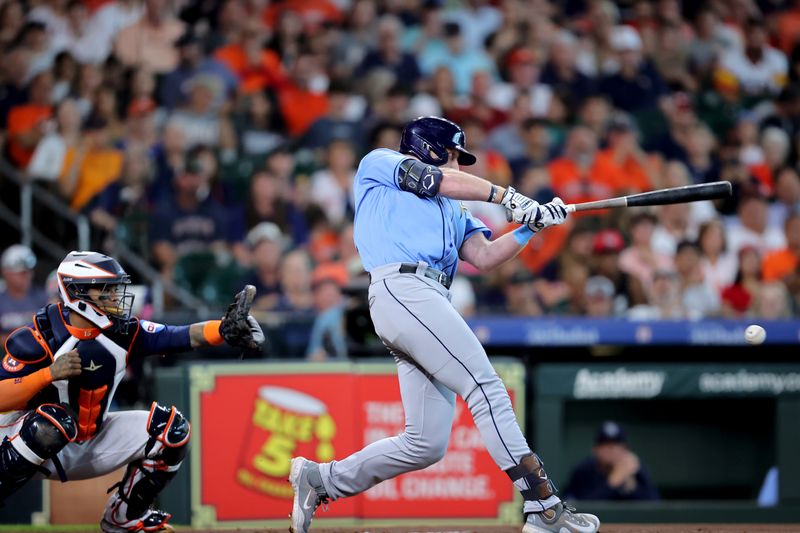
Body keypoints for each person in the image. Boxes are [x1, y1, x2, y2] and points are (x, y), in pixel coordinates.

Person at [288, 116, 600, 533]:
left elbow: (485, 256)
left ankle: (322, 479)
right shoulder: (379, 164)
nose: (459, 165)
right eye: (453, 155)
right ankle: (543, 507)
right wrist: (509, 196)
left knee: (425, 444)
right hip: (402, 286)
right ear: (430, 149)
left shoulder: (454, 207)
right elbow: (433, 180)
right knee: (487, 388)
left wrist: (531, 226)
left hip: (425, 299)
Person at [0, 251, 264, 532]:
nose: (115, 296)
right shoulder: (38, 337)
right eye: (105, 290)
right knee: (52, 422)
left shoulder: (124, 332)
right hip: (25, 441)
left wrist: (223, 330)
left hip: (87, 438)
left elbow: (179, 335)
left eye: (115, 288)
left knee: (171, 429)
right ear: (77, 293)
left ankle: (123, 518)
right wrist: (48, 375)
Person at [564, 421, 659, 501]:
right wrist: (612, 483)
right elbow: (577, 508)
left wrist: (633, 488)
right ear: (595, 450)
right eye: (605, 445)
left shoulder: (636, 468)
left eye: (616, 445)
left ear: (626, 449)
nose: (611, 450)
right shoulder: (584, 470)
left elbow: (656, 506)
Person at [0, 245, 48, 342]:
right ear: (6, 273)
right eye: (21, 272)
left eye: (29, 271)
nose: (27, 276)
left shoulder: (43, 297)